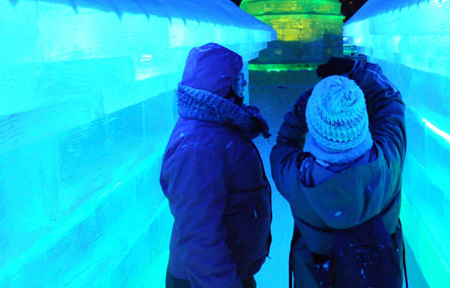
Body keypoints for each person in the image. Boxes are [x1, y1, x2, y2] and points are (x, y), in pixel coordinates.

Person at [270, 57, 407, 287]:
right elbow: (389, 100)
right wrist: (357, 69)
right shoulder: (390, 159)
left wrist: (311, 101)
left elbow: (285, 143)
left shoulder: (295, 177)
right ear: (362, 120)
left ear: (313, 125)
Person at [160, 43, 272, 288]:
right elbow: (199, 238)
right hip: (208, 278)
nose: (243, 87)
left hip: (226, 270)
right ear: (220, 86)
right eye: (237, 80)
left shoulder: (214, 126)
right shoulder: (198, 148)